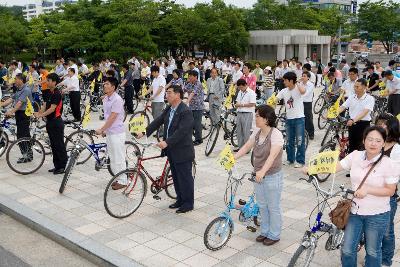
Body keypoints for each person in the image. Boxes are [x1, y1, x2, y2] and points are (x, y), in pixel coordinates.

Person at [305, 126, 398, 267]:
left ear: (384, 143)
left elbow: (391, 191)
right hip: (355, 212)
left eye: (378, 141)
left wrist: (368, 190)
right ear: (364, 140)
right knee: (347, 249)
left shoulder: (389, 164)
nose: (373, 143)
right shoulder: (355, 156)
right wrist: (311, 169)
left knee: (373, 251)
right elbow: (336, 167)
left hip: (377, 215)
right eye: (370, 139)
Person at [138, 85, 195, 213]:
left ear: (177, 95)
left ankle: (188, 203)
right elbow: (158, 121)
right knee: (176, 177)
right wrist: (144, 132)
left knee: (185, 178)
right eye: (167, 93)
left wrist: (167, 142)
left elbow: (182, 131)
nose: (166, 95)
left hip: (183, 151)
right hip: (172, 151)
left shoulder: (185, 111)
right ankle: (180, 199)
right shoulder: (170, 108)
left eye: (169, 93)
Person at [234, 105, 284, 246]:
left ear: (266, 119)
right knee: (262, 205)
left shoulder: (276, 134)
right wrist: (233, 158)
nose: (255, 118)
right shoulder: (257, 132)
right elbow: (246, 147)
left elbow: (272, 156)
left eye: (257, 116)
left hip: (272, 175)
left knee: (273, 206)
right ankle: (265, 231)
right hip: (258, 176)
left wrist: (262, 171)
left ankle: (274, 234)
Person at [375, 114, 400, 266]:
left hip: (388, 196)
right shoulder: (374, 143)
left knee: (386, 231)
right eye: (378, 124)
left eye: (384, 124)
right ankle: (373, 258)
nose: (380, 127)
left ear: (392, 128)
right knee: (372, 230)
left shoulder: (397, 149)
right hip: (371, 194)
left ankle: (385, 260)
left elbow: (394, 174)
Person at [95, 77, 126, 190]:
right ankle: (118, 178)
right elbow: (107, 117)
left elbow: (113, 117)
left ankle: (123, 181)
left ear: (113, 87)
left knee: (119, 158)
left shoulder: (117, 99)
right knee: (112, 158)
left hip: (117, 132)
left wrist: (102, 129)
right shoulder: (106, 99)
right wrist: (106, 130)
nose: (104, 85)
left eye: (107, 84)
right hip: (110, 132)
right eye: (104, 84)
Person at [34, 73, 67, 174]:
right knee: (53, 145)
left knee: (59, 145)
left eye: (48, 81)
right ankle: (56, 165)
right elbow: (45, 104)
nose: (47, 82)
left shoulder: (57, 93)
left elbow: (52, 109)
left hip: (56, 122)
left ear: (54, 82)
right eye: (47, 80)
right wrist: (39, 113)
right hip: (50, 122)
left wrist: (41, 115)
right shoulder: (49, 92)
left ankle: (62, 166)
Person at [338, 78, 375, 162]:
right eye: (354, 86)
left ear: (364, 87)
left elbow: (364, 112)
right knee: (352, 146)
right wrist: (332, 113)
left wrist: (353, 120)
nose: (355, 88)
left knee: (361, 147)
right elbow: (343, 107)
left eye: (357, 87)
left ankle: (362, 168)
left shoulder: (369, 99)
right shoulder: (352, 97)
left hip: (363, 125)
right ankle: (352, 168)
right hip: (352, 124)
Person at [0, 74, 33, 163]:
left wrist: (11, 112)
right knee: (23, 135)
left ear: (21, 80)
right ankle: (27, 154)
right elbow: (11, 99)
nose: (14, 80)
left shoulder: (26, 90)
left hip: (24, 114)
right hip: (19, 114)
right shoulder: (19, 89)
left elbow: (19, 104)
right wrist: (1, 105)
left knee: (22, 136)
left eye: (16, 79)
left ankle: (27, 155)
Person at [276, 72, 306, 168]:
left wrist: (297, 82)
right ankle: (290, 159)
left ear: (291, 81)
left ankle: (300, 161)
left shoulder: (298, 88)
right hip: (289, 119)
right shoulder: (284, 91)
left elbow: (303, 91)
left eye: (285, 80)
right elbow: (275, 99)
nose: (284, 82)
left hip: (299, 118)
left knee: (300, 140)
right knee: (289, 141)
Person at [234, 79, 256, 152]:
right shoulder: (240, 92)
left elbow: (252, 104)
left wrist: (241, 105)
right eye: (239, 88)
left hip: (248, 113)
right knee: (239, 131)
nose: (240, 89)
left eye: (241, 87)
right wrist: (237, 104)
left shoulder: (251, 92)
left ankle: (247, 148)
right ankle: (240, 147)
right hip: (240, 112)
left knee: (246, 132)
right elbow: (237, 100)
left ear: (245, 85)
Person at [184, 70, 204, 145]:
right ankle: (190, 138)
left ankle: (199, 139)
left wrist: (187, 101)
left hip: (198, 107)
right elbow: (184, 90)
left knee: (197, 124)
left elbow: (192, 93)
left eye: (191, 76)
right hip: (191, 107)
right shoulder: (189, 84)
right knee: (190, 123)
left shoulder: (198, 84)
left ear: (195, 77)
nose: (189, 78)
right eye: (189, 76)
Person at [301, 71, 315, 140]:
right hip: (300, 103)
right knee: (301, 118)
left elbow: (306, 93)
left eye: (304, 76)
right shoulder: (300, 83)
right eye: (302, 76)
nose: (303, 77)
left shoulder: (310, 85)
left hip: (307, 103)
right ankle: (304, 133)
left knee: (308, 118)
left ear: (308, 78)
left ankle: (311, 134)